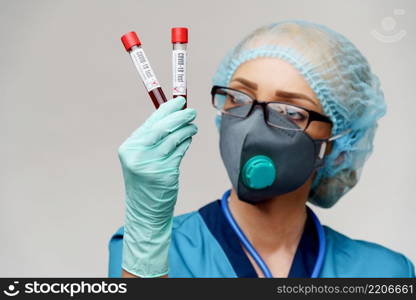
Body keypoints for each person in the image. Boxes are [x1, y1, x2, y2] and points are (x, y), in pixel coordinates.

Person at [108, 20, 415, 278]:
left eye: (291, 111)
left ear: (339, 146)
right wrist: (146, 239)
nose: (253, 126)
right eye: (239, 99)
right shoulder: (149, 250)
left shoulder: (382, 273)